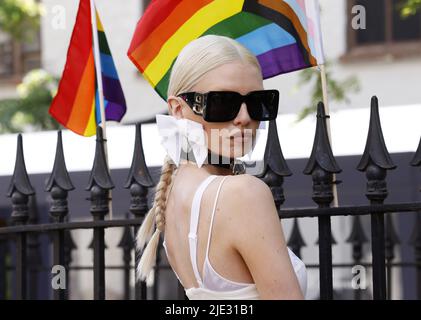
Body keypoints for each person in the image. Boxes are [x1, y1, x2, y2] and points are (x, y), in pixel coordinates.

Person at [136, 35, 307, 300]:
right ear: (178, 109)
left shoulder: (172, 196)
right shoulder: (243, 194)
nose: (244, 118)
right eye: (222, 102)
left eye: (258, 102)